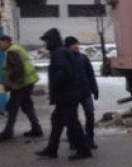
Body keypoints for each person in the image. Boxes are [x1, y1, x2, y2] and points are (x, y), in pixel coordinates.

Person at [35, 28, 91, 160]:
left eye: (46, 41)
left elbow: (64, 72)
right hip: (68, 94)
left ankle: (84, 150)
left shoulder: (59, 53)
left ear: (52, 40)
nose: (45, 44)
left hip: (67, 95)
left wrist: (55, 85)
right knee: (57, 121)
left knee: (72, 123)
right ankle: (52, 149)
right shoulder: (61, 51)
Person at [0, 34, 42, 142]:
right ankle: (36, 128)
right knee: (26, 105)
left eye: (0, 43)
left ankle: (8, 132)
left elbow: (18, 70)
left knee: (12, 106)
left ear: (6, 42)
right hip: (27, 82)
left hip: (21, 84)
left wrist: (11, 82)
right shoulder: (17, 49)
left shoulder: (12, 51)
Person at [65, 36, 98, 150]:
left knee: (90, 114)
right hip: (71, 93)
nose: (76, 46)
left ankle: (90, 139)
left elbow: (90, 75)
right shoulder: (65, 60)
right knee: (73, 118)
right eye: (72, 44)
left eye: (77, 44)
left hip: (85, 92)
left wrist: (95, 90)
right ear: (68, 47)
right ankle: (73, 141)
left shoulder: (83, 58)